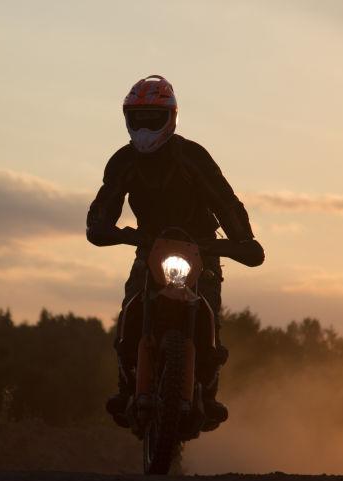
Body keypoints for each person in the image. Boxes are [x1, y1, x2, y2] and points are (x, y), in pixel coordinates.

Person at [85, 75, 264, 430]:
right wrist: (103, 228)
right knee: (130, 310)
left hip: (202, 248)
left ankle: (209, 394)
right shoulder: (123, 161)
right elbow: (105, 202)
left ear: (170, 118)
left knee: (209, 310)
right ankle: (126, 387)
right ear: (127, 119)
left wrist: (243, 240)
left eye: (153, 117)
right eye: (138, 118)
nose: (145, 125)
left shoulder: (192, 156)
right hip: (149, 247)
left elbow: (225, 201)